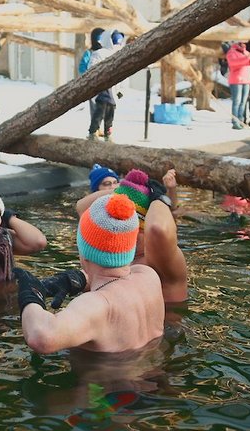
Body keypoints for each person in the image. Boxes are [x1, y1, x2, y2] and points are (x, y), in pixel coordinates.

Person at [17, 192, 164, 353]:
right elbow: (112, 279)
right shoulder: (148, 276)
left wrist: (31, 294)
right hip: (156, 373)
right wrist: (76, 279)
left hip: (107, 378)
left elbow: (41, 338)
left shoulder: (97, 305)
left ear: (84, 254)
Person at [75, 169, 187, 303]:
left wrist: (160, 199)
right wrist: (125, 190)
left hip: (167, 323)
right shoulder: (118, 259)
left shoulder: (161, 259)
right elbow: (81, 207)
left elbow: (158, 229)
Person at [80, 28, 116, 141]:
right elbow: (83, 67)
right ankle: (94, 130)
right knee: (96, 108)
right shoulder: (90, 53)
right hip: (93, 85)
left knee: (108, 107)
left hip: (108, 87)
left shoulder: (108, 52)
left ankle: (104, 130)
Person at [225, 41, 250, 130]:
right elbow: (234, 63)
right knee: (236, 101)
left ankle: (241, 120)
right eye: (241, 43)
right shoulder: (231, 52)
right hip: (236, 80)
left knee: (243, 102)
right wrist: (247, 58)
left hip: (247, 79)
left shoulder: (245, 52)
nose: (243, 45)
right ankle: (235, 121)